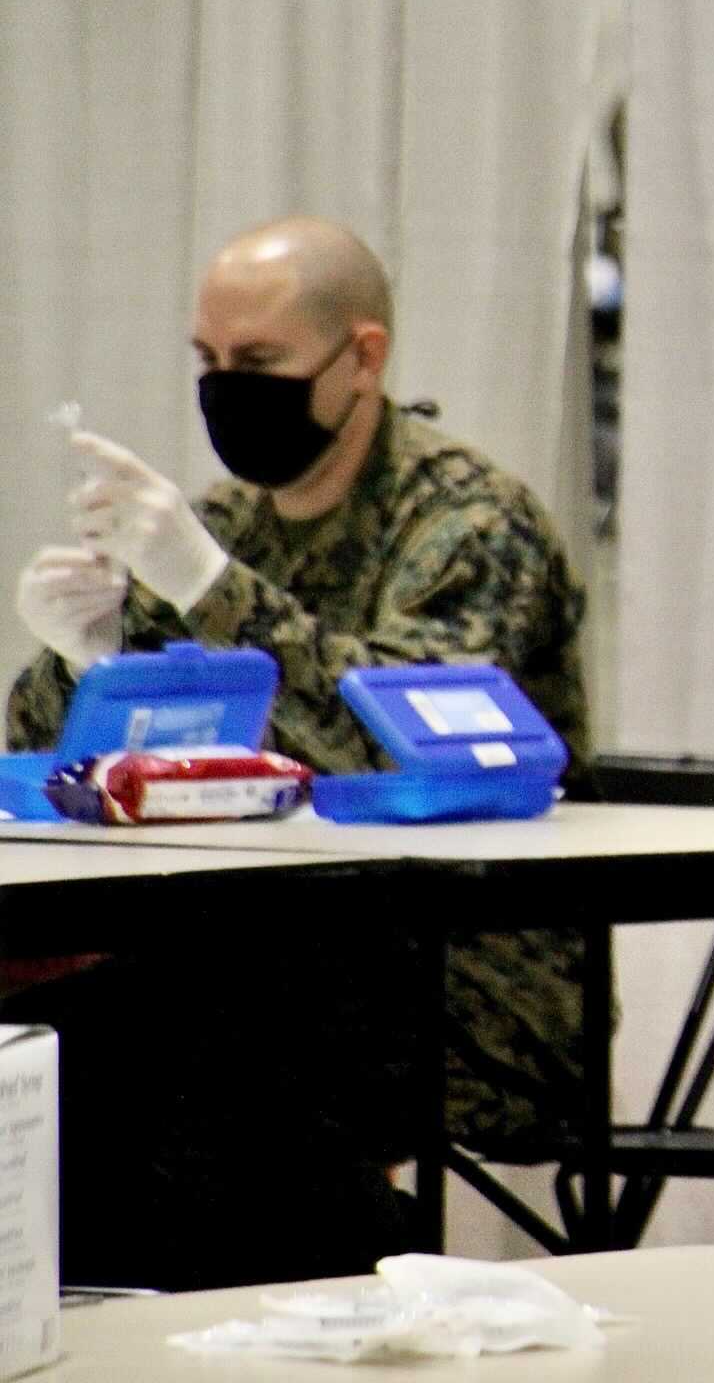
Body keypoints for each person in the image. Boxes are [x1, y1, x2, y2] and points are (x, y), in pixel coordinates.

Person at [5, 217, 593, 1286]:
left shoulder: (468, 522)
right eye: (211, 363)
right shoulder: (235, 524)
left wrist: (208, 587)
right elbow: (73, 772)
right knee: (52, 1044)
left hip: (464, 980)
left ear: (362, 358)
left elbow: (411, 755)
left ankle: (341, 1278)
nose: (229, 389)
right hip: (265, 954)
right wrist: (75, 661)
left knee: (164, 1056)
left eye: (261, 363)